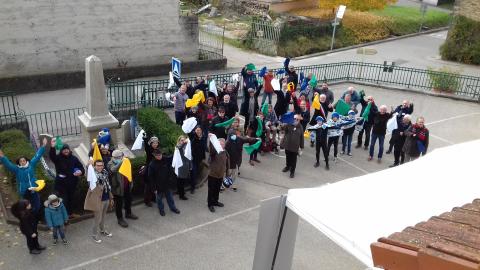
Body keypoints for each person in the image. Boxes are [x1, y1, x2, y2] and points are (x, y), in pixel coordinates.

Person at [0, 137, 47, 216]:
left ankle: (36, 216)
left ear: (26, 161)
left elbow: (37, 156)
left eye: (23, 160)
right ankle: (29, 217)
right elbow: (8, 164)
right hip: (24, 191)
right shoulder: (16, 169)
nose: (22, 162)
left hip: (34, 189)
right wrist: (2, 156)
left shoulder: (31, 164)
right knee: (26, 206)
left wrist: (43, 146)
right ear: (19, 162)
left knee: (37, 205)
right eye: (20, 161)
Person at [49, 140, 84, 217]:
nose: (66, 151)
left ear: (69, 150)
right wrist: (52, 147)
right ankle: (64, 216)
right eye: (64, 150)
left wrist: (81, 172)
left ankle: (71, 214)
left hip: (72, 183)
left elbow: (81, 167)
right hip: (61, 185)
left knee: (71, 199)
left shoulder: (74, 158)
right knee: (64, 200)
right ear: (61, 151)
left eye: (67, 149)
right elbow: (52, 156)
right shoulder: (58, 158)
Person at [84, 160, 113, 244]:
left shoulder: (105, 173)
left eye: (101, 165)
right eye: (97, 165)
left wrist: (111, 198)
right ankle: (94, 235)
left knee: (103, 217)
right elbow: (88, 176)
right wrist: (87, 166)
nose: (100, 167)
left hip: (106, 198)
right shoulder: (92, 175)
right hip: (98, 201)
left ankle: (102, 230)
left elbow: (108, 186)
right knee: (97, 219)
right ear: (94, 166)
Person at [108, 150, 138, 228]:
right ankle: (120, 219)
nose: (119, 158)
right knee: (118, 204)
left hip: (126, 185)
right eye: (117, 157)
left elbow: (129, 172)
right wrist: (121, 162)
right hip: (117, 188)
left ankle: (128, 213)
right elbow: (113, 170)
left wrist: (131, 182)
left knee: (128, 200)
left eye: (120, 157)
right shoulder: (110, 163)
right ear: (113, 157)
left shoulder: (126, 162)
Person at [148, 149, 180, 216]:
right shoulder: (152, 165)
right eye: (157, 155)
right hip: (158, 186)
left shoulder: (166, 159)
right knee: (159, 200)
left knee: (170, 198)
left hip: (167, 184)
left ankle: (173, 208)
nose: (159, 156)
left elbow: (172, 157)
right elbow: (151, 178)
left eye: (160, 155)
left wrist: (177, 148)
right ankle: (161, 210)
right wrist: (154, 188)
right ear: (154, 156)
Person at [207, 136, 229, 213]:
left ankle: (215, 201)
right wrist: (211, 141)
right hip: (212, 175)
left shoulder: (225, 152)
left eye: (223, 144)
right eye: (220, 143)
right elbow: (211, 149)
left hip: (220, 175)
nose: (221, 145)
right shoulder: (214, 152)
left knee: (217, 189)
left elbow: (227, 163)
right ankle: (210, 204)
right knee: (211, 190)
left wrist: (227, 174)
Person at [280, 114, 304, 178]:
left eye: (297, 119)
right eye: (295, 119)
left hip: (295, 147)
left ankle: (292, 171)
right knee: (288, 157)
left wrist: (301, 147)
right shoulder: (289, 124)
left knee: (293, 160)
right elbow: (282, 129)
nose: (296, 120)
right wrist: (282, 125)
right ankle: (287, 166)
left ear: (299, 120)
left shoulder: (301, 127)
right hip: (287, 145)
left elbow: (302, 137)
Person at [142, 135, 160, 207]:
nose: (155, 144)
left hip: (155, 171)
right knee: (148, 186)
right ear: (151, 143)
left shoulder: (157, 149)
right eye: (154, 143)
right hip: (149, 171)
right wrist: (145, 139)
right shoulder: (149, 150)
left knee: (154, 185)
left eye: (156, 143)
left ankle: (153, 198)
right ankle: (147, 201)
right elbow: (146, 146)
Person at [188, 126, 206, 194]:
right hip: (193, 158)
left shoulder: (203, 137)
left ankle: (192, 182)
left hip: (199, 158)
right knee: (193, 172)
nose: (198, 131)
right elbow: (192, 145)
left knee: (195, 171)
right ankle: (192, 187)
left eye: (199, 130)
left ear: (201, 131)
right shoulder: (193, 137)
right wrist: (197, 139)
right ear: (195, 131)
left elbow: (203, 148)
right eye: (197, 130)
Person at [173, 135, 191, 201]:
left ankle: (179, 191)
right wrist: (184, 142)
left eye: (184, 140)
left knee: (181, 180)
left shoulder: (186, 147)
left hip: (185, 166)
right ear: (179, 141)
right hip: (180, 166)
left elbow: (189, 156)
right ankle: (181, 195)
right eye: (181, 140)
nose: (183, 141)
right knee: (181, 181)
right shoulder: (178, 146)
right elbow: (179, 147)